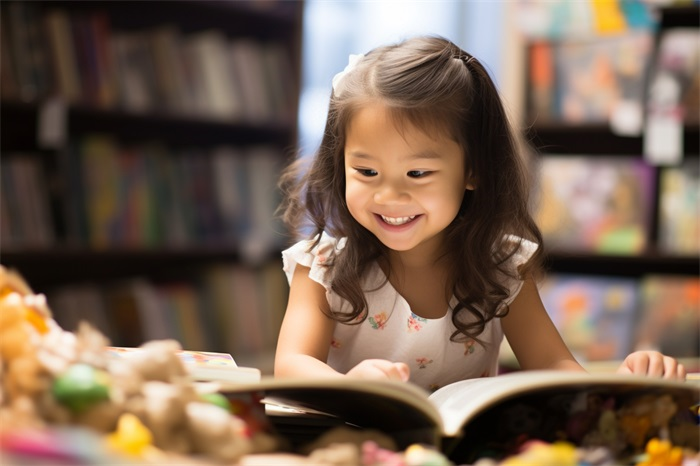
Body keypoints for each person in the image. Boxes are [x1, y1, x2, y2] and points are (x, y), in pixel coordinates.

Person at [274, 35, 686, 392]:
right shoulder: (323, 265)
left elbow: (556, 368)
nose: (389, 195)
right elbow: (291, 366)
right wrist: (350, 386)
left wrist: (630, 381)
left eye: (418, 173)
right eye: (366, 172)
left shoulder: (502, 265)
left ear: (473, 171)